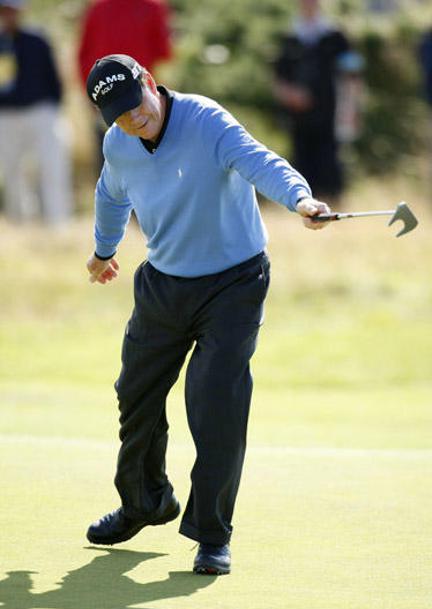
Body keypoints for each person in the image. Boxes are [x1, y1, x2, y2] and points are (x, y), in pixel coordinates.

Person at [85, 53, 331, 575]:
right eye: (119, 114)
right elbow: (111, 195)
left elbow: (259, 161)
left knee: (215, 401)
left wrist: (300, 199)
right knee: (135, 395)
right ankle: (146, 501)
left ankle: (212, 535)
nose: (133, 118)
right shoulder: (119, 143)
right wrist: (104, 251)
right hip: (164, 284)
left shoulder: (205, 120)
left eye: (135, 103)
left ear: (149, 82)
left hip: (234, 283)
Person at [274, 0, 361, 203]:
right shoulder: (290, 38)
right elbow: (278, 78)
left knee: (330, 166)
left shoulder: (336, 37)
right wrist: (290, 95)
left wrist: (353, 109)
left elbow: (352, 75)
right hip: (299, 119)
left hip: (330, 116)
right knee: (303, 169)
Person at [77, 0, 172, 171]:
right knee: (144, 162)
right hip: (139, 99)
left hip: (111, 99)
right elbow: (164, 54)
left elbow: (82, 57)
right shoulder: (152, 6)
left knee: (110, 161)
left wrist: (93, 98)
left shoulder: (97, 8)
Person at [0, 0, 72, 225]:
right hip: (7, 115)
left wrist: (55, 108)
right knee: (12, 170)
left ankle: (57, 222)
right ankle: (19, 223)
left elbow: (55, 78)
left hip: (41, 112)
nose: (8, 15)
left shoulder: (37, 40)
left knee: (51, 167)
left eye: (12, 11)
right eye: (4, 11)